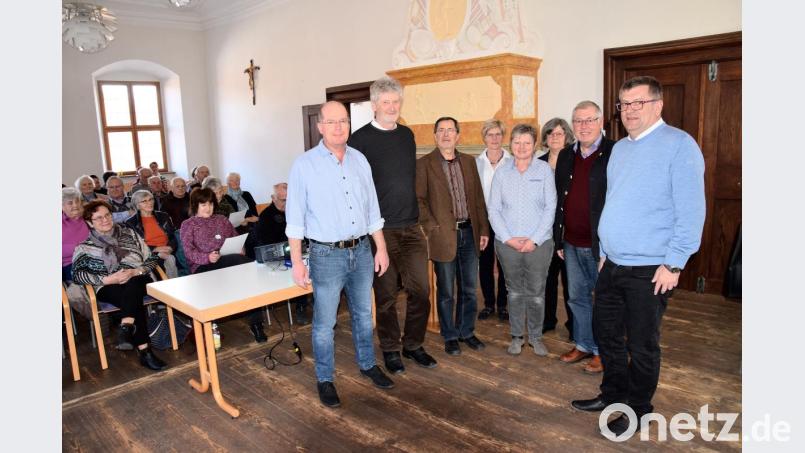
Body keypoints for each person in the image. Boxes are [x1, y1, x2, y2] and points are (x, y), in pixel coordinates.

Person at [571, 76, 705, 438]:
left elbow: (691, 210)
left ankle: (638, 409)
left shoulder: (679, 145)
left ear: (657, 105)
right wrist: (606, 252)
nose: (629, 111)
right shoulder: (622, 149)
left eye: (637, 103)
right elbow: (615, 202)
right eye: (624, 104)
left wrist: (674, 263)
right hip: (612, 263)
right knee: (608, 335)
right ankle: (613, 396)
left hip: (651, 268)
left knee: (642, 344)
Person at [286, 101, 394, 408]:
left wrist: (381, 247)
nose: (338, 127)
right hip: (326, 255)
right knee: (324, 323)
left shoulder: (360, 160)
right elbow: (295, 219)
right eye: (331, 122)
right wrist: (297, 262)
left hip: (361, 250)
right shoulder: (304, 165)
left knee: (363, 314)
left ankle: (368, 364)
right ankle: (325, 379)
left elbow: (372, 208)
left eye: (343, 121)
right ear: (319, 126)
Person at [347, 76, 437, 374]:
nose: (392, 107)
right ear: (374, 105)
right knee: (385, 296)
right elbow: (354, 188)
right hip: (379, 232)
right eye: (386, 102)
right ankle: (390, 348)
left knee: (421, 291)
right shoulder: (359, 141)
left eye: (396, 101)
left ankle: (413, 344)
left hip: (411, 228)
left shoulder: (406, 135)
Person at [416, 116, 489, 356]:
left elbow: (478, 199)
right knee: (446, 290)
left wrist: (484, 230)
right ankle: (450, 335)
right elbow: (419, 200)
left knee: (469, 288)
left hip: (470, 232)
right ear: (435, 136)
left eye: (450, 130)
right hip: (443, 236)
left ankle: (466, 331)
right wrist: (432, 227)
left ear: (458, 135)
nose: (446, 134)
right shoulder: (425, 164)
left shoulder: (469, 162)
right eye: (441, 130)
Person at [552, 102, 615, 375]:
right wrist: (558, 239)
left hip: (600, 244)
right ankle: (584, 344)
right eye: (578, 121)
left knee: (603, 299)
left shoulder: (615, 152)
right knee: (576, 297)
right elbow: (559, 200)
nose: (584, 126)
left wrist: (611, 245)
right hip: (571, 242)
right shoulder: (566, 154)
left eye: (590, 120)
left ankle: (603, 351)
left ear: (601, 122)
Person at [71, 200, 167, 371]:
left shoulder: (130, 233)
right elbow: (77, 275)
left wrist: (135, 271)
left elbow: (152, 258)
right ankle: (139, 345)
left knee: (134, 284)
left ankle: (129, 329)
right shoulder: (84, 247)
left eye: (107, 215)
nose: (105, 220)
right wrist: (107, 280)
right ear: (89, 222)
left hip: (140, 278)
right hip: (108, 286)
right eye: (98, 218)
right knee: (132, 299)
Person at [488, 124, 556, 357]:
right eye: (517, 142)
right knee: (514, 291)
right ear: (511, 144)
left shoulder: (544, 170)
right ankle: (517, 336)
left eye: (527, 142)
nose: (522, 147)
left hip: (539, 244)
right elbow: (494, 209)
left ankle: (536, 337)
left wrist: (534, 240)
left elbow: (550, 208)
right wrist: (508, 239)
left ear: (535, 145)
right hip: (508, 246)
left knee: (536, 293)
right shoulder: (502, 172)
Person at [181, 187, 266, 342]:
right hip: (203, 267)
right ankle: (256, 321)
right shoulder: (188, 224)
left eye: (211, 204)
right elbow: (188, 252)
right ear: (195, 206)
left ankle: (257, 324)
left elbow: (235, 237)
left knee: (244, 270)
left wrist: (241, 247)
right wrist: (207, 257)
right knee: (245, 266)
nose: (208, 208)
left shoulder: (221, 219)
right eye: (203, 205)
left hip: (227, 260)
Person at [253, 182, 310, 325]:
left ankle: (310, 302)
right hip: (275, 259)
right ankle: (301, 306)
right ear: (273, 198)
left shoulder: (296, 212)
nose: (288, 203)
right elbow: (265, 245)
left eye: (290, 199)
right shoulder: (266, 216)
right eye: (284, 200)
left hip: (298, 252)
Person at [538, 118, 574, 339]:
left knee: (571, 282)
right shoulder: (539, 163)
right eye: (550, 134)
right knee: (547, 280)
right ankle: (548, 320)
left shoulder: (574, 160)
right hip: (544, 232)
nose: (554, 137)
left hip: (568, 231)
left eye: (559, 134)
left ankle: (574, 325)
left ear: (567, 136)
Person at [475, 119, 511, 322]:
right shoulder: (476, 163)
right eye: (490, 134)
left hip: (507, 222)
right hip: (484, 221)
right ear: (484, 137)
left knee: (505, 264)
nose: (495, 138)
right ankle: (489, 304)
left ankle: (503, 305)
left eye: (498, 134)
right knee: (486, 264)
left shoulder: (513, 161)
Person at [125, 190, 179, 278]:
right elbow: (136, 245)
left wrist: (170, 247)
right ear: (137, 205)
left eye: (150, 199)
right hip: (148, 254)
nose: (149, 203)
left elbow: (173, 236)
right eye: (144, 201)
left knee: (170, 258)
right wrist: (156, 250)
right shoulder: (131, 223)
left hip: (168, 251)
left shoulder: (163, 216)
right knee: (168, 260)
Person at [62, 187, 89, 282]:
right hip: (72, 263)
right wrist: (79, 247)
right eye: (70, 203)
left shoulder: (87, 217)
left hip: (95, 258)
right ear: (62, 206)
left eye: (77, 201)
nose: (75, 205)